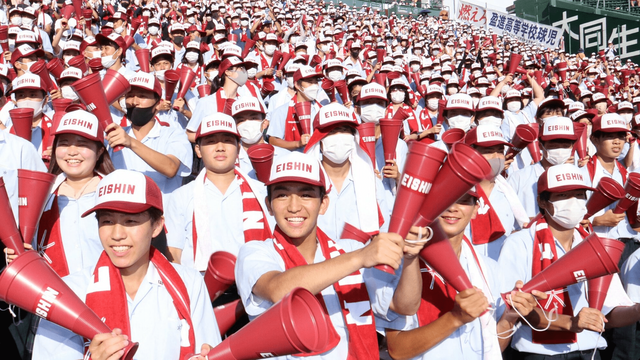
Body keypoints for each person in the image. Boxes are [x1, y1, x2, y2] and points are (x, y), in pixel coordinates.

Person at [236, 151, 425, 359]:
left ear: (324, 204)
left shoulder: (350, 248)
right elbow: (279, 289)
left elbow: (404, 305)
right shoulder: (256, 252)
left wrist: (410, 257)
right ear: (269, 205)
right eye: (282, 195)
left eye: (306, 195)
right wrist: (360, 257)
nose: (294, 207)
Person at [32, 169, 222, 359]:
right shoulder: (67, 293)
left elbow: (208, 348)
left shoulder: (189, 282)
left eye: (130, 221)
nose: (117, 234)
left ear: (156, 226)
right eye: (107, 221)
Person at [499, 164, 640, 359]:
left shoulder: (596, 246)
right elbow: (514, 308)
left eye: (579, 195)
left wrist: (637, 310)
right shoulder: (520, 243)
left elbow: (609, 313)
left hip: (589, 352)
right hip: (539, 354)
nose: (573, 202)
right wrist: (571, 322)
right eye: (563, 196)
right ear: (542, 201)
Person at [383, 188, 543, 359]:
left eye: (464, 200)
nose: (452, 208)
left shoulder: (489, 268)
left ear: (475, 210)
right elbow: (396, 349)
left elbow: (494, 348)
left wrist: (511, 316)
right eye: (444, 199)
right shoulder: (398, 263)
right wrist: (455, 318)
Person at [165, 112, 273, 269]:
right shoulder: (181, 196)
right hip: (200, 287)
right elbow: (174, 252)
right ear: (198, 151)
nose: (220, 148)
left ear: (238, 148)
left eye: (228, 141)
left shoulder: (261, 192)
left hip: (256, 284)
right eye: (211, 142)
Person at [303, 102, 390, 240]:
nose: (339, 137)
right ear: (319, 140)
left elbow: (384, 231)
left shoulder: (371, 182)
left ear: (353, 137)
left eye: (344, 130)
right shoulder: (304, 184)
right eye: (331, 132)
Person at [106, 71, 193, 194]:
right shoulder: (113, 137)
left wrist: (131, 143)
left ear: (158, 104)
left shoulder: (174, 134)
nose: (134, 101)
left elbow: (171, 168)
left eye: (142, 96)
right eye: (130, 95)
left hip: (162, 212)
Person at [463, 124, 527, 260]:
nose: (496, 156)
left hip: (503, 271)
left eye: (499, 151)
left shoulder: (507, 191)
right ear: (470, 153)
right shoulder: (457, 194)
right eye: (488, 150)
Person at [187, 56, 264, 143]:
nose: (244, 72)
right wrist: (212, 140)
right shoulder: (206, 102)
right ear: (228, 72)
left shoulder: (243, 101)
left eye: (245, 69)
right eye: (240, 68)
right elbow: (190, 134)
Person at [231, 96, 290, 181]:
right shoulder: (230, 161)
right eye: (241, 120)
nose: (248, 123)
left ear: (264, 123)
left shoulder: (284, 157)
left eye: (253, 118)